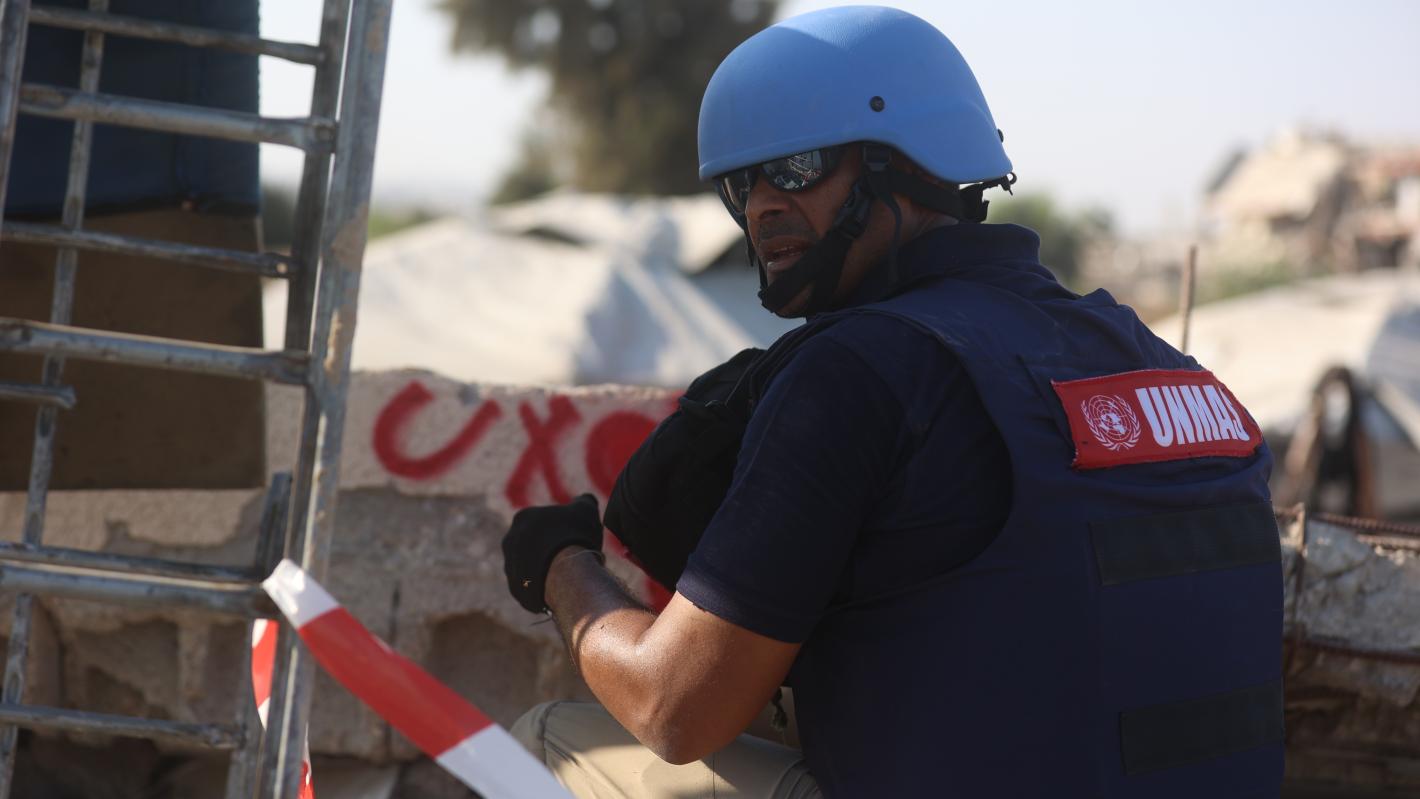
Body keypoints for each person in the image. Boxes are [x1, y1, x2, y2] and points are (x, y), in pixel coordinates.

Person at [501, 6, 1284, 797]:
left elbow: (674, 704)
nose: (764, 204)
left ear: (904, 165)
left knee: (548, 736)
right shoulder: (1160, 361)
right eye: (745, 181)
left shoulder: (859, 370)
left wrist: (562, 568)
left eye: (800, 165)